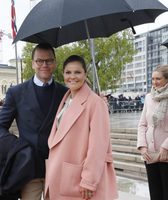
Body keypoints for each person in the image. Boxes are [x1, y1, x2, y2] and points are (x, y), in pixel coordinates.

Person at [0, 43, 68, 200]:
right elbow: (0, 127)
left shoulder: (65, 92)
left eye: (49, 60)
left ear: (55, 62)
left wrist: (98, 100)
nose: (44, 65)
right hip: (28, 169)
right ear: (33, 63)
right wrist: (16, 149)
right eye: (40, 61)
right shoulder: (16, 92)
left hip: (56, 166)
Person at [45, 55, 118, 200]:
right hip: (61, 173)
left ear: (85, 74)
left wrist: (89, 180)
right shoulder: (66, 99)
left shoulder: (96, 103)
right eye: (68, 72)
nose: (72, 77)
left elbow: (98, 146)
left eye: (77, 72)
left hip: (80, 180)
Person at [137, 65, 168, 200]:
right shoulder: (149, 97)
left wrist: (165, 147)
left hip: (165, 152)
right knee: (154, 192)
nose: (154, 82)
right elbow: (142, 124)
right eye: (152, 79)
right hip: (149, 153)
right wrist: (142, 146)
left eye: (158, 79)